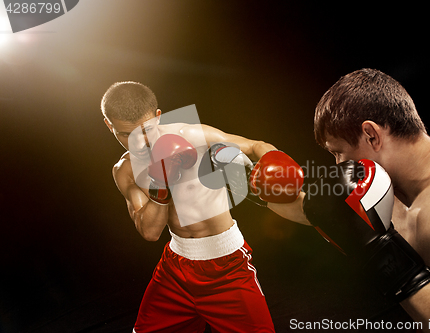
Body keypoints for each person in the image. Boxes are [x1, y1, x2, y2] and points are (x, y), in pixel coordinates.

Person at [265, 68, 430, 332]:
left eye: (338, 153)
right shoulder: (384, 194)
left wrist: (383, 250)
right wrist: (252, 185)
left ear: (371, 135)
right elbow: (311, 210)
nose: (339, 166)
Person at [101, 81, 303, 333]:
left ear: (158, 116)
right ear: (109, 126)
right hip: (175, 271)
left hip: (227, 268)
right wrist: (160, 184)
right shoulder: (125, 170)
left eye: (147, 130)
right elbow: (150, 232)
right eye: (125, 134)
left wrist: (277, 164)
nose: (141, 143)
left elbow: (255, 146)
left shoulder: (192, 135)